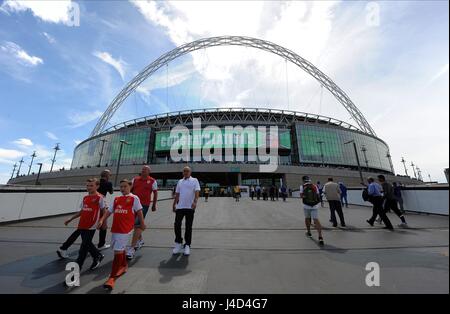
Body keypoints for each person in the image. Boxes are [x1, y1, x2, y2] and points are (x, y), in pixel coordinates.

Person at [99, 179, 145, 291]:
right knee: (119, 249)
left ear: (130, 186)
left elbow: (139, 211)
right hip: (116, 228)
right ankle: (124, 266)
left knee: (117, 252)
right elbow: (109, 211)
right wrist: (102, 220)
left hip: (125, 229)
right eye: (121, 187)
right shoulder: (116, 199)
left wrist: (142, 223)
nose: (123, 189)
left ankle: (112, 278)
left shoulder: (134, 198)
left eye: (125, 186)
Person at [62, 178, 105, 270]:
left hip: (91, 225)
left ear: (97, 186)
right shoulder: (85, 198)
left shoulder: (99, 197)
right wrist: (71, 218)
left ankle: (78, 267)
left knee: (84, 247)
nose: (89, 187)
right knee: (87, 243)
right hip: (82, 224)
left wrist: (101, 221)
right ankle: (98, 256)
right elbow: (82, 211)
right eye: (87, 185)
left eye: (91, 186)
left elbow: (104, 211)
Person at [126, 166, 158, 260]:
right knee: (134, 224)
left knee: (137, 224)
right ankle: (140, 240)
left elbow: (155, 193)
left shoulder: (152, 181)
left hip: (144, 205)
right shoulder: (135, 179)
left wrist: (154, 205)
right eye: (142, 169)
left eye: (146, 169)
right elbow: (129, 190)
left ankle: (131, 248)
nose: (143, 170)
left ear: (149, 172)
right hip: (132, 205)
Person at [172, 167, 201, 256]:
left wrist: (195, 202)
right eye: (184, 171)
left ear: (190, 172)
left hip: (190, 207)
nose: (185, 172)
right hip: (180, 207)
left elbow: (197, 192)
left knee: (188, 226)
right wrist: (174, 204)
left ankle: (187, 245)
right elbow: (177, 194)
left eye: (187, 171)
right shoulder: (180, 181)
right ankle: (178, 243)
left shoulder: (194, 180)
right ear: (182, 173)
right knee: (177, 224)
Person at [300, 176, 324, 245]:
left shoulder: (302, 186)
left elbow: (301, 196)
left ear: (303, 180)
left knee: (307, 218)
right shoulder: (314, 186)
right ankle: (320, 237)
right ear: (309, 180)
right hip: (315, 206)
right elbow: (318, 195)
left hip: (306, 206)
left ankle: (309, 232)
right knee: (316, 219)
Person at [97, 169, 114, 250]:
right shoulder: (108, 183)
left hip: (93, 203)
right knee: (104, 224)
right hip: (102, 204)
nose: (110, 177)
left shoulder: (96, 182)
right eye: (109, 175)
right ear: (107, 176)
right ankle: (101, 244)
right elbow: (111, 192)